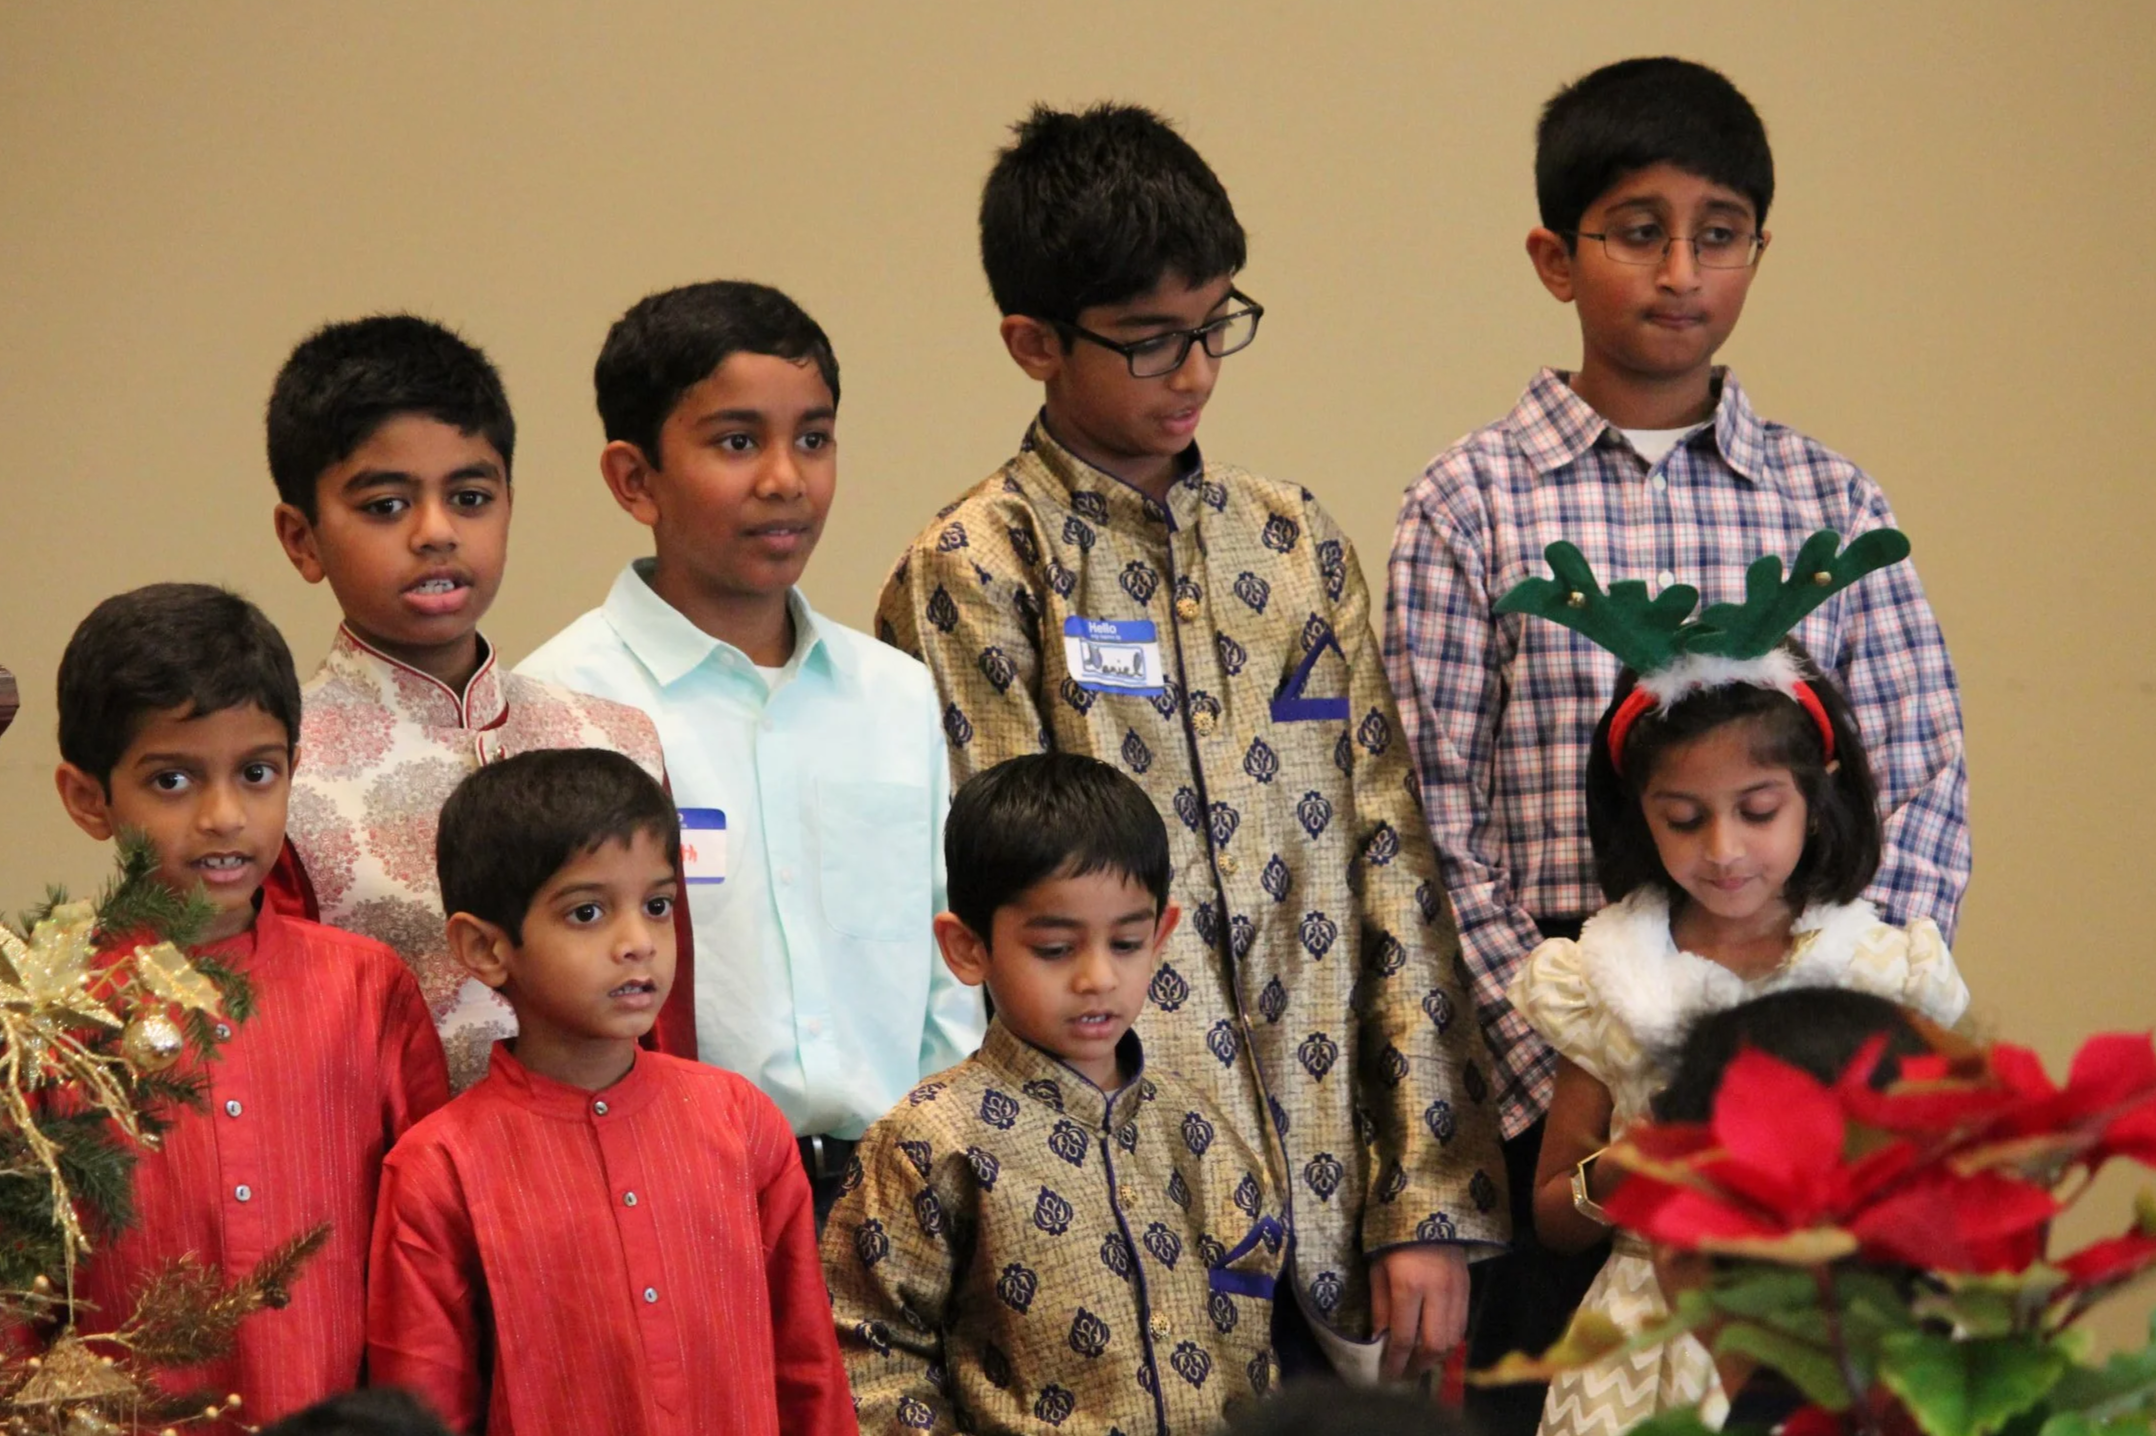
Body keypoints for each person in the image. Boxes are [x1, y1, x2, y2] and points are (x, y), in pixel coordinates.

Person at [876, 101, 1504, 1382]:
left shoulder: (1292, 544)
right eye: (1150, 340)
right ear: (1032, 343)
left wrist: (1426, 1194)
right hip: (1112, 1221)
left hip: (1345, 1206)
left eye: (1215, 325)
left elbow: (1389, 860)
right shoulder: (977, 567)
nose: (1196, 370)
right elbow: (1016, 924)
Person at [1383, 59, 1969, 1430]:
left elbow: (1928, 783)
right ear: (1554, 254)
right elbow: (1427, 818)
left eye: (1721, 232)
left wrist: (1840, 1054)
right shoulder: (1470, 505)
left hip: (1819, 1134)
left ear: (1759, 246)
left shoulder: (1831, 501)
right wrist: (1588, 1073)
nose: (1680, 271)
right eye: (1635, 229)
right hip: (1575, 1103)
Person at [517, 280, 982, 1224]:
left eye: (813, 438)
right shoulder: (559, 704)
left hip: (895, 1194)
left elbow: (946, 970)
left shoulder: (891, 694)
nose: (787, 479)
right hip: (666, 1189)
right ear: (633, 478)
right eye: (738, 442)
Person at [1495, 532, 1970, 1436]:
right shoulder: (1602, 974)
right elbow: (1554, 1212)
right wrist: (1632, 1167)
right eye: (1684, 819)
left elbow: (1947, 1181)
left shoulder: (1886, 970)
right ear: (1641, 813)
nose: (1723, 851)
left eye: (1758, 812)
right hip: (1640, 1344)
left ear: (1817, 792)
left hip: (1829, 1335)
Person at [364, 748, 852, 1436]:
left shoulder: (740, 1122)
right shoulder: (439, 1168)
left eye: (656, 905)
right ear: (486, 948)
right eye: (587, 912)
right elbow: (422, 1410)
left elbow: (808, 1369)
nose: (638, 942)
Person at [51, 584, 449, 1422]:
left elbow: (427, 1258)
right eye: (172, 780)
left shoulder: (367, 991)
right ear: (89, 799)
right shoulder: (47, 1015)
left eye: (257, 773)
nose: (225, 816)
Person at [260, 315, 681, 1090]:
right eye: (385, 506)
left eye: (470, 496)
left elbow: (664, 1033)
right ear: (302, 539)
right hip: (388, 1195)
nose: (436, 532)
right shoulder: (278, 771)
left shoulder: (614, 739)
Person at [824, 753, 1286, 1433]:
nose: (1098, 977)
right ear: (967, 948)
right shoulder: (929, 1140)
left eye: (1126, 943)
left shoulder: (1197, 1125)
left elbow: (1251, 1350)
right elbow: (872, 1357)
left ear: (1161, 936)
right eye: (1055, 950)